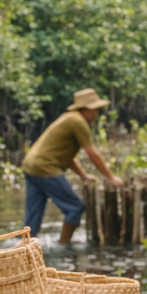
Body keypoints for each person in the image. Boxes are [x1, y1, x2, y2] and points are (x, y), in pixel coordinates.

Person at [21, 88, 124, 243]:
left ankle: (21, 250)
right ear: (87, 109)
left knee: (32, 217)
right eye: (95, 109)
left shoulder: (69, 118)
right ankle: (63, 245)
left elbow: (65, 156)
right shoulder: (79, 122)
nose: (97, 114)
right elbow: (93, 154)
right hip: (46, 167)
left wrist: (83, 175)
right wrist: (111, 178)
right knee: (75, 208)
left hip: (31, 165)